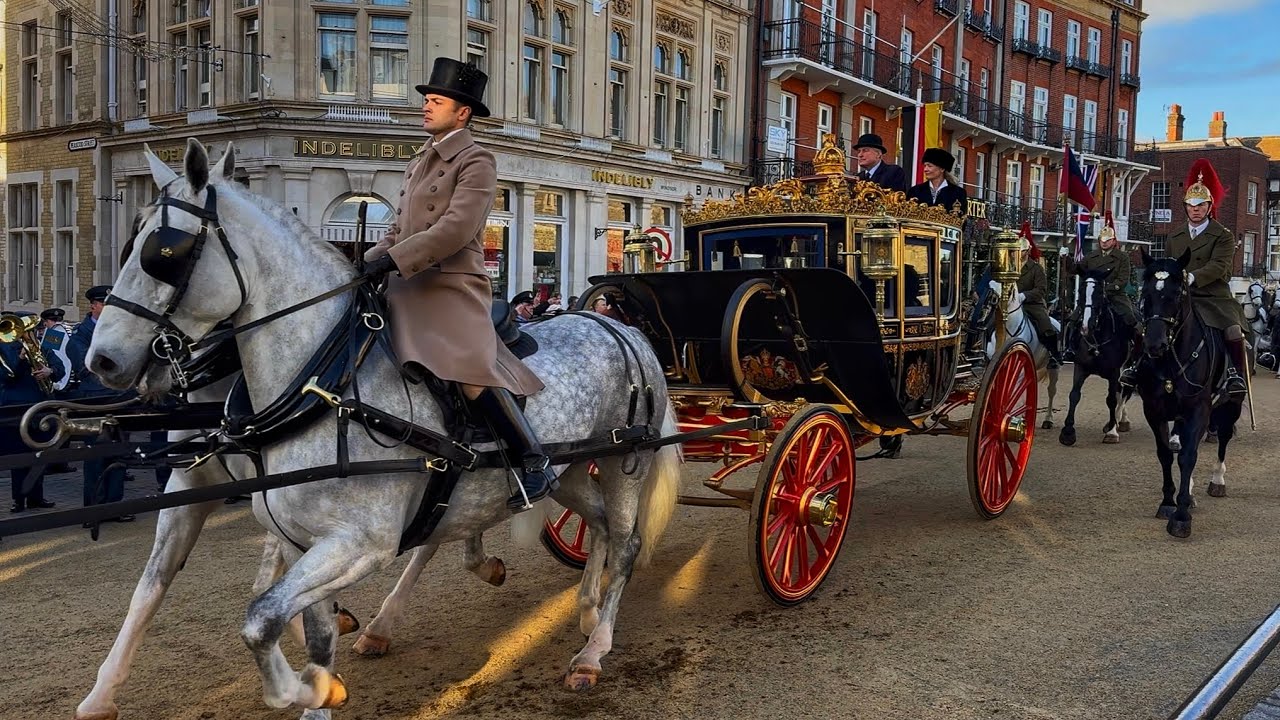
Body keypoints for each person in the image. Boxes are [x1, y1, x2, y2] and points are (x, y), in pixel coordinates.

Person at [362, 57, 554, 512]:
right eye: (426, 99)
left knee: (466, 370)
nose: (426, 106)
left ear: (462, 112)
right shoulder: (418, 160)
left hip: (451, 285)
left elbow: (454, 229)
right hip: (407, 281)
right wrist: (365, 261)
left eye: (436, 101)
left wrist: (393, 259)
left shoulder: (477, 160)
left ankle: (533, 460)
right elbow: (399, 229)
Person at [1120, 159, 1247, 396]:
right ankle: (1135, 368)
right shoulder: (1175, 236)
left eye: (1201, 205)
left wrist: (1192, 277)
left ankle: (1234, 374)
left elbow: (1220, 266)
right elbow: (1169, 264)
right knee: (1147, 324)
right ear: (1186, 207)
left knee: (1232, 330)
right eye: (1191, 205)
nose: (1195, 209)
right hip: (1178, 295)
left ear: (1209, 206)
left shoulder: (1223, 235)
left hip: (1212, 297)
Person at [66, 285, 133, 522]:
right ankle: (93, 510)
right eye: (104, 304)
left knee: (119, 453)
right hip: (95, 400)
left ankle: (114, 506)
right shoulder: (80, 334)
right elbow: (86, 367)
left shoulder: (119, 329)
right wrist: (115, 373)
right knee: (95, 457)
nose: (108, 308)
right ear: (93, 306)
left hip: (120, 398)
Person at [2, 311, 62, 513]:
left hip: (40, 408)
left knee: (39, 455)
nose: (28, 334)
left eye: (31, 330)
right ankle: (19, 499)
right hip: (17, 409)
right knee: (19, 457)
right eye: (24, 330)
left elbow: (60, 368)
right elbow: (5, 377)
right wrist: (20, 359)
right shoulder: (4, 349)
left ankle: (36, 497)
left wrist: (49, 371)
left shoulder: (42, 347)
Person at [1060, 223, 1138, 354]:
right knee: (1073, 319)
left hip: (1114, 294)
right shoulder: (1091, 256)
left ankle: (1133, 348)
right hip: (1092, 295)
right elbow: (1076, 269)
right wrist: (1066, 258)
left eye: (1107, 240)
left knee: (1128, 316)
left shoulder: (1122, 257)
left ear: (1113, 241)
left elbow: (1122, 279)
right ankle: (1069, 348)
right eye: (1102, 240)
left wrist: (1106, 288)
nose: (1104, 243)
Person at [993, 235, 1062, 368]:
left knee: (1045, 324)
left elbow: (1041, 289)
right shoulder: (1010, 266)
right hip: (1009, 302)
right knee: (990, 320)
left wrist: (1024, 295)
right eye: (1017, 251)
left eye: (1022, 251)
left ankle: (1053, 354)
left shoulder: (1036, 268)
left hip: (1031, 304)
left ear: (1028, 251)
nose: (1019, 254)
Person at [905, 148, 968, 214]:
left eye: (929, 166)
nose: (925, 169)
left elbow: (960, 217)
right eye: (925, 166)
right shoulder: (915, 191)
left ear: (942, 169)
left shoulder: (958, 193)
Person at [38, 308, 74, 394]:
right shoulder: (70, 330)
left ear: (46, 322)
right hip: (73, 379)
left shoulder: (54, 333)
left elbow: (46, 357)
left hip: (60, 382)